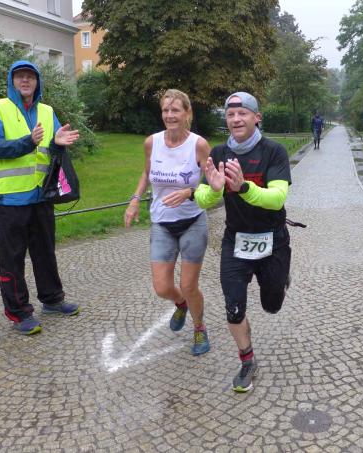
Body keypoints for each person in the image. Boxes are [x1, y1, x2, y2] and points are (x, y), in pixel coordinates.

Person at [195, 91, 293, 392]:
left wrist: (243, 187)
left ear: (256, 117)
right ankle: (247, 361)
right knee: (234, 307)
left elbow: (277, 198)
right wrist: (214, 190)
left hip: (272, 239)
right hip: (235, 240)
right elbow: (202, 198)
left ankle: (279, 279)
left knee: (272, 305)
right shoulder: (219, 153)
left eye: (243, 113)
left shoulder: (274, 151)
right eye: (230, 114)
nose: (236, 119)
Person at [0, 60, 81, 335]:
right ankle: (19, 313)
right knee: (12, 260)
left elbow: (52, 148)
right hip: (10, 199)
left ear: (37, 82)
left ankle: (52, 299)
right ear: (12, 81)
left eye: (30, 77)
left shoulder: (47, 112)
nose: (25, 80)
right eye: (20, 76)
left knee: (45, 253)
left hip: (41, 196)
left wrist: (58, 143)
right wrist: (28, 141)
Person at [124, 89, 212, 356]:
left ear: (187, 113)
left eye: (175, 110)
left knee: (188, 284)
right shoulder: (152, 142)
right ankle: (181, 304)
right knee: (162, 287)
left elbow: (212, 183)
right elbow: (147, 171)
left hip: (192, 221)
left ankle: (199, 327)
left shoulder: (199, 145)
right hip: (162, 222)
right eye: (165, 110)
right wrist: (135, 199)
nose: (170, 115)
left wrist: (189, 192)